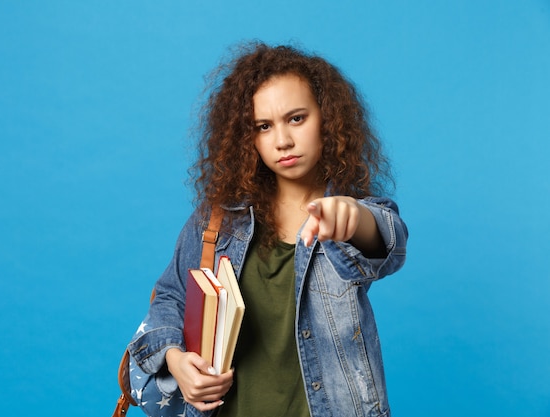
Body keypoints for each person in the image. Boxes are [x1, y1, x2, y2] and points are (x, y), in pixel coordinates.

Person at [128, 42, 408, 417]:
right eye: (264, 126)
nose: (282, 141)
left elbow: (388, 240)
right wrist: (177, 361)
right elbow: (170, 298)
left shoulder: (348, 214)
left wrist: (355, 218)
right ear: (249, 138)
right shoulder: (218, 220)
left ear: (327, 118)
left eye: (296, 118)